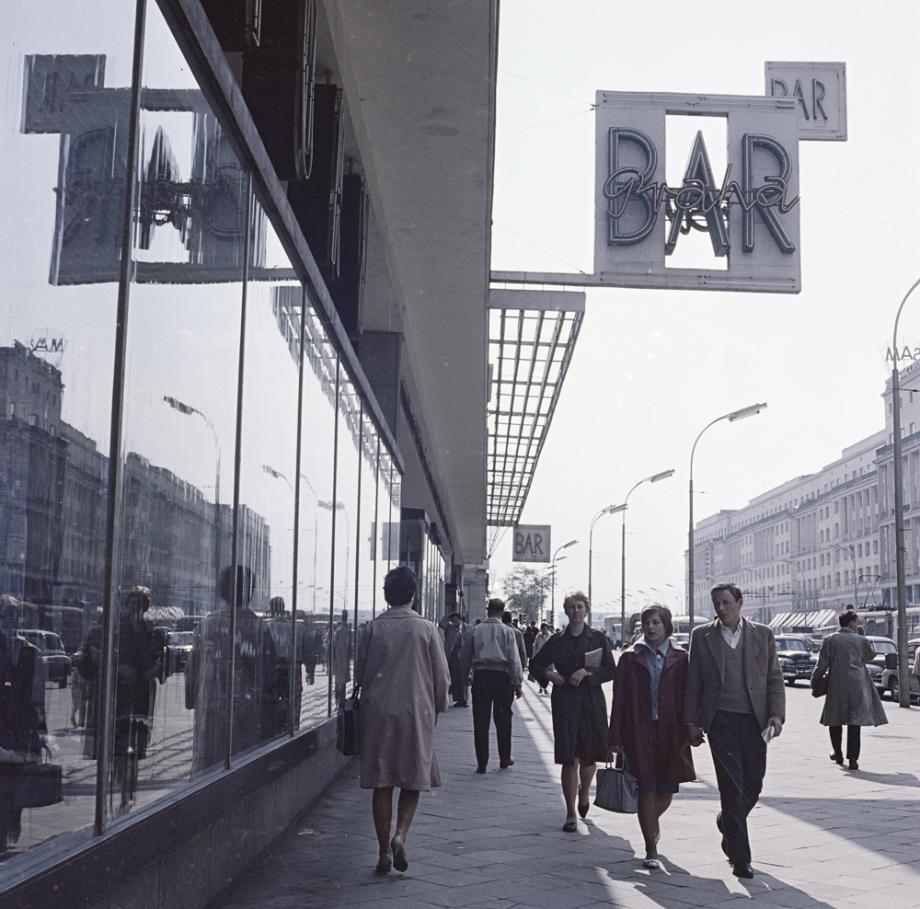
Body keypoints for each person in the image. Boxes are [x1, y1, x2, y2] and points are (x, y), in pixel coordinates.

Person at [684, 583, 785, 880]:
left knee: (754, 783)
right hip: (721, 721)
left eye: (726, 602)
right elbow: (693, 683)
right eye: (716, 603)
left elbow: (774, 678)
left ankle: (727, 822)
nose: (721, 608)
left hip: (755, 721)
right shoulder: (701, 636)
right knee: (731, 786)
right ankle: (741, 858)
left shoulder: (763, 634)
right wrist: (691, 722)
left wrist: (777, 715)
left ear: (740, 603)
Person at [354, 566, 449, 874]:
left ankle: (382, 852)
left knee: (382, 781)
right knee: (412, 777)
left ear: (386, 595)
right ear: (413, 594)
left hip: (378, 712)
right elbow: (441, 678)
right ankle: (400, 835)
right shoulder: (426, 628)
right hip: (416, 711)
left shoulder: (372, 628)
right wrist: (437, 707)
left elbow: (359, 675)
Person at [609, 605, 694, 869]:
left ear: (666, 625)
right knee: (646, 786)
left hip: (672, 731)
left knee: (666, 789)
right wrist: (615, 736)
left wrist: (693, 726)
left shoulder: (680, 658)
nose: (651, 627)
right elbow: (619, 698)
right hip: (639, 729)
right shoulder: (630, 657)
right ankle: (651, 848)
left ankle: (649, 823)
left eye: (656, 622)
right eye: (647, 622)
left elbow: (688, 696)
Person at [528, 591, 615, 832]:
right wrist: (549, 675)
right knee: (569, 758)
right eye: (571, 607)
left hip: (591, 702)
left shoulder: (597, 638)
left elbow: (610, 669)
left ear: (586, 609)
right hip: (565, 702)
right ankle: (569, 813)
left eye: (579, 607)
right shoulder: (557, 640)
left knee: (589, 757)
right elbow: (535, 664)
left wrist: (587, 673)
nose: (575, 611)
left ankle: (584, 792)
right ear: (565, 611)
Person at [186, 565, 279, 773]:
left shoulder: (206, 625)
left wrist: (194, 699)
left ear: (221, 590)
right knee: (243, 765)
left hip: (211, 705)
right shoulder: (258, 627)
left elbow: (192, 670)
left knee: (209, 766)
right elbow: (270, 672)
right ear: (250, 591)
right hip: (248, 708)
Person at [811, 608, 887, 770]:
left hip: (836, 685)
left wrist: (815, 681)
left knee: (834, 719)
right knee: (855, 722)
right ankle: (853, 759)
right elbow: (870, 655)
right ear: (852, 623)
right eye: (856, 622)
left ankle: (837, 754)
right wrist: (862, 636)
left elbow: (822, 665)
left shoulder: (830, 639)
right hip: (857, 685)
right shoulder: (860, 640)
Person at [111, 586, 164, 813]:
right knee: (118, 750)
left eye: (139, 604)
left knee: (133, 750)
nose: (135, 608)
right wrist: (119, 669)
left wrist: (156, 669)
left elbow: (159, 661)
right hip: (118, 696)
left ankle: (128, 796)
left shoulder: (150, 631)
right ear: (126, 605)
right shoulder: (116, 630)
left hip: (141, 697)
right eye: (132, 603)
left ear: (145, 607)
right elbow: (106, 659)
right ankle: (122, 784)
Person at [459, 598, 523, 773]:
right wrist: (517, 683)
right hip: (502, 678)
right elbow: (514, 660)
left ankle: (482, 763)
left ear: (488, 610)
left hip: (482, 677)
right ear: (502, 612)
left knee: (480, 720)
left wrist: (464, 677)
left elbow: (465, 657)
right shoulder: (507, 632)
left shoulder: (475, 630)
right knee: (503, 720)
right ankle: (504, 758)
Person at [441, 612, 468, 707]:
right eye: (453, 620)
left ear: (460, 620)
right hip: (451, 655)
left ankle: (464, 700)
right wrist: (449, 615)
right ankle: (459, 699)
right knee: (454, 678)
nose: (454, 622)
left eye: (456, 620)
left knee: (463, 679)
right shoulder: (450, 627)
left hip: (463, 656)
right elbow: (441, 623)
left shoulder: (467, 628)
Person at [332, 610, 352, 710]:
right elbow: (349, 647)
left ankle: (338, 701)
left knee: (338, 681)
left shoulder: (338, 631)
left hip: (339, 659)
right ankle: (340, 701)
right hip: (343, 659)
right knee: (341, 682)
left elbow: (333, 646)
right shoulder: (347, 630)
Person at [531, 623, 553, 695]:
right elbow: (535, 646)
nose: (545, 630)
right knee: (541, 674)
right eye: (543, 629)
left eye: (546, 629)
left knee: (548, 674)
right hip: (540, 658)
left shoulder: (551, 636)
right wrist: (533, 657)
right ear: (541, 629)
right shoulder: (538, 636)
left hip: (549, 658)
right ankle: (541, 687)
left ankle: (545, 687)